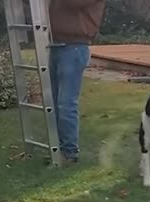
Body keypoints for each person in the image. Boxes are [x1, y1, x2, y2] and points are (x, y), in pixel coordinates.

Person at [48, 0, 106, 164]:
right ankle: (57, 149)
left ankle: (69, 152)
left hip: (74, 47)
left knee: (66, 103)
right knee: (53, 102)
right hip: (56, 44)